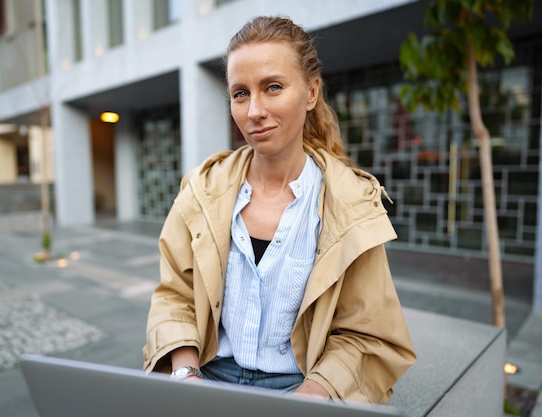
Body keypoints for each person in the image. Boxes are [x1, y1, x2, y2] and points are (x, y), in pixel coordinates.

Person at [143, 15, 416, 403]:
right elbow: (175, 296)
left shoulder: (350, 204)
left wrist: (309, 396)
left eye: (272, 87)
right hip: (206, 377)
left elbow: (366, 332)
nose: (254, 110)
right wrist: (186, 375)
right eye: (240, 93)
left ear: (311, 92)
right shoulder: (201, 190)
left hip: (303, 387)